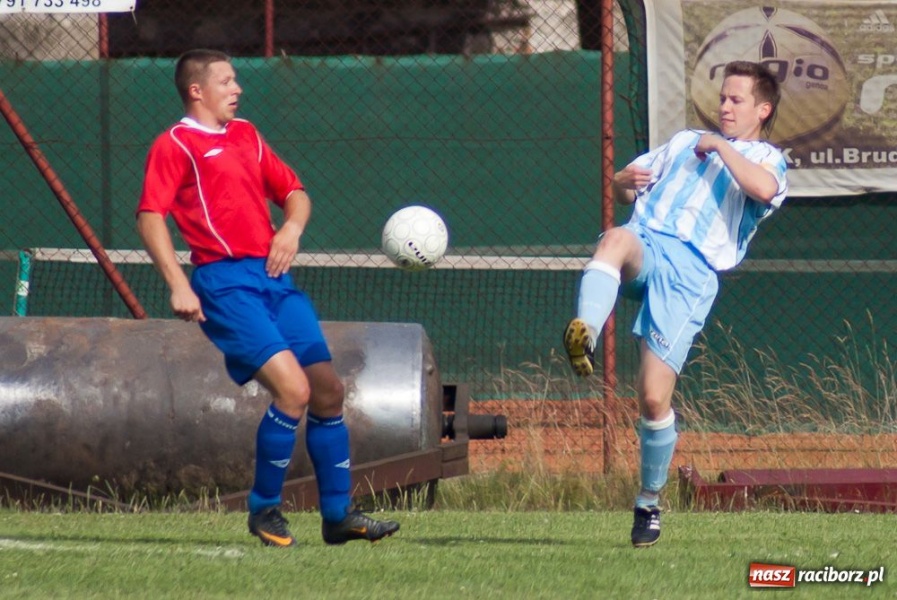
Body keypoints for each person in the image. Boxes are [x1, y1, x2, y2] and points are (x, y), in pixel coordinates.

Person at [136, 49, 399, 548]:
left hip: (276, 281)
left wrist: (292, 229)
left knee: (328, 393)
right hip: (225, 285)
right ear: (197, 90)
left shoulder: (247, 135)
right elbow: (151, 215)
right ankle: (263, 510)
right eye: (227, 81)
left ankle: (338, 516)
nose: (237, 89)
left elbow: (295, 192)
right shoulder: (175, 144)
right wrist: (177, 283)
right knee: (293, 392)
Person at [563, 61, 787, 547]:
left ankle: (648, 503)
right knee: (616, 240)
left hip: (691, 274)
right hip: (648, 241)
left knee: (651, 397)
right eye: (723, 97)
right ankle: (586, 332)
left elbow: (764, 190)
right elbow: (628, 186)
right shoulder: (685, 141)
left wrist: (724, 148)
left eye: (736, 100)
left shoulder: (768, 158)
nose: (724, 107)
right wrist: (623, 180)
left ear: (762, 109)